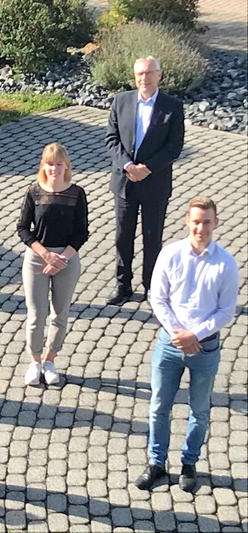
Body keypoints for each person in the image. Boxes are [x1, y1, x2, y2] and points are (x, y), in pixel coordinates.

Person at [135, 196, 238, 493]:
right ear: (186, 222)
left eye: (206, 222)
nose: (200, 228)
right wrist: (179, 332)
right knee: (158, 406)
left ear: (215, 223)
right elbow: (158, 298)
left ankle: (189, 463)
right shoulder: (170, 254)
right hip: (169, 343)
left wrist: (195, 334)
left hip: (204, 348)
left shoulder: (225, 264)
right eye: (196, 221)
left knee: (200, 410)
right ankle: (156, 462)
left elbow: (226, 310)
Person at [105, 56, 185, 305]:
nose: (145, 78)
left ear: (159, 75)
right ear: (134, 76)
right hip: (125, 182)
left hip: (155, 184)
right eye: (140, 74)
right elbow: (111, 139)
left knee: (153, 237)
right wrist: (129, 166)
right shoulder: (121, 101)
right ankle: (123, 285)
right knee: (122, 236)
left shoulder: (172, 106)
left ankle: (152, 286)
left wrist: (147, 169)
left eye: (150, 73)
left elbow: (174, 147)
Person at [16, 143, 89, 386]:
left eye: (59, 164)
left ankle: (50, 359)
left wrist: (62, 259)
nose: (54, 168)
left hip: (66, 258)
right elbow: (23, 228)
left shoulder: (76, 193)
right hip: (38, 257)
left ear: (66, 165)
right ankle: (35, 361)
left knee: (60, 313)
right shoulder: (34, 192)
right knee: (37, 314)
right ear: (43, 166)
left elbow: (81, 232)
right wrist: (46, 255)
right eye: (50, 164)